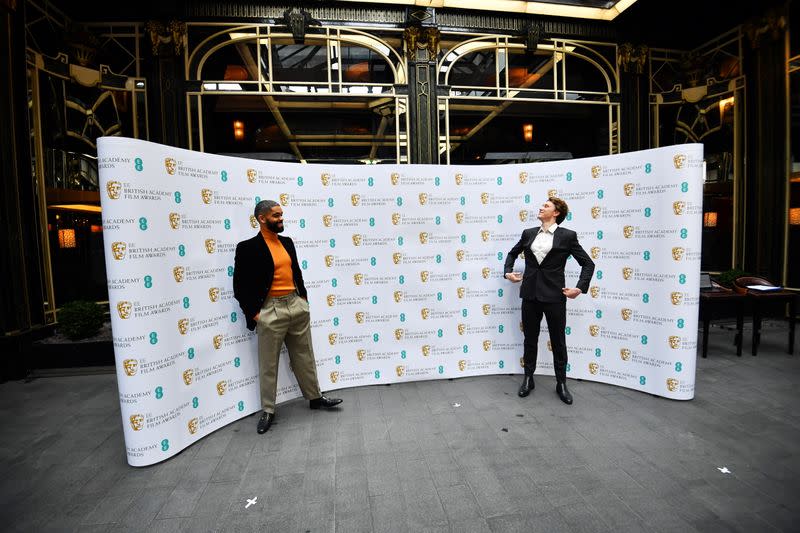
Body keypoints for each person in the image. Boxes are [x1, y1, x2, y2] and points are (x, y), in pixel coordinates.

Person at [233, 200, 342, 434]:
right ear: (262, 219)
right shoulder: (247, 248)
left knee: (304, 355)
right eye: (276, 216)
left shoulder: (287, 242)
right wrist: (255, 314)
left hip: (295, 304)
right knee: (268, 363)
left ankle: (315, 397)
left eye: (281, 214)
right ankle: (268, 410)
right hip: (269, 310)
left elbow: (296, 272)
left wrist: (303, 299)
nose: (281, 219)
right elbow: (239, 286)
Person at [504, 197, 594, 405]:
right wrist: (508, 272)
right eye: (542, 204)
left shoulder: (568, 236)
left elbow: (588, 264)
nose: (541, 207)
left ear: (556, 213)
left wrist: (579, 288)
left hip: (555, 296)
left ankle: (561, 383)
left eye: (546, 206)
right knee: (530, 339)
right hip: (530, 295)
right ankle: (528, 379)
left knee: (558, 340)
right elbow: (512, 253)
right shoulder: (528, 233)